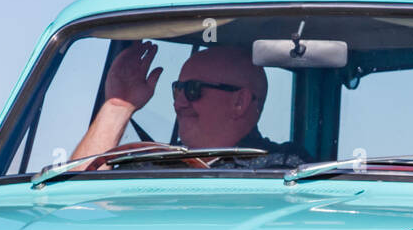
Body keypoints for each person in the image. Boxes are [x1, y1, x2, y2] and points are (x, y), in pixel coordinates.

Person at [69, 42, 300, 168]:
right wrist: (117, 107)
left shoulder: (286, 169)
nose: (178, 103)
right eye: (177, 89)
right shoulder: (151, 165)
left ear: (239, 101)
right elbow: (76, 207)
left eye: (192, 90)